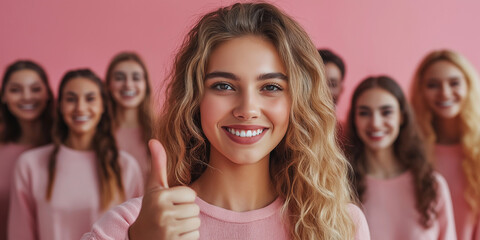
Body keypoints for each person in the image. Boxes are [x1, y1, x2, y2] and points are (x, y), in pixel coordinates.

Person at [81, 3, 370, 240]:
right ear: (194, 99)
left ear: (297, 102)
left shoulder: (341, 226)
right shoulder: (130, 226)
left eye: (270, 87)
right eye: (224, 86)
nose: (247, 109)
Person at [8, 69, 144, 240]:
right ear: (60, 106)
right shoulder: (29, 165)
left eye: (90, 99)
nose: (80, 107)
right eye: (71, 99)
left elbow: (138, 232)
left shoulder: (125, 166)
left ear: (103, 106)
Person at [346, 76, 456, 239]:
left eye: (386, 112)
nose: (375, 123)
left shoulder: (432, 186)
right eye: (364, 113)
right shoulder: (342, 187)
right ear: (354, 120)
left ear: (402, 117)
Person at [410, 49, 480, 240]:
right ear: (421, 91)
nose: (445, 93)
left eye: (454, 83)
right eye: (433, 85)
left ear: (469, 86)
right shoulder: (410, 151)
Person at [0, 60, 54, 240]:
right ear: (4, 96)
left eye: (35, 89)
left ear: (47, 93)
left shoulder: (64, 147)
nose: (26, 96)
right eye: (15, 90)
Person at [105, 52, 153, 182]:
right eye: (119, 78)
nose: (128, 84)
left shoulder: (163, 131)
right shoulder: (98, 132)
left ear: (145, 85)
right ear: (108, 85)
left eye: (136, 78)